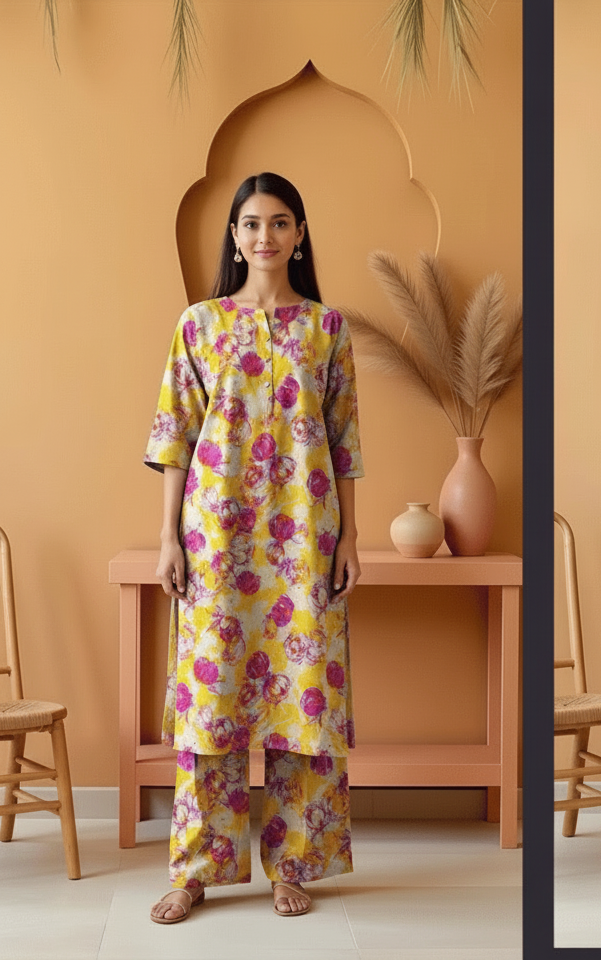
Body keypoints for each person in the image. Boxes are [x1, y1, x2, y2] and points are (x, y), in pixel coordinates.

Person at [144, 172, 364, 923]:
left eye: (278, 223)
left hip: (306, 538)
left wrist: (350, 539)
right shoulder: (198, 324)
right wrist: (167, 536)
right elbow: (174, 435)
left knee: (304, 703)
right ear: (233, 237)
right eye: (249, 224)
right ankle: (197, 868)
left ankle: (292, 865)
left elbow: (344, 445)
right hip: (217, 537)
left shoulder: (327, 329)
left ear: (299, 233)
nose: (263, 236)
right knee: (211, 702)